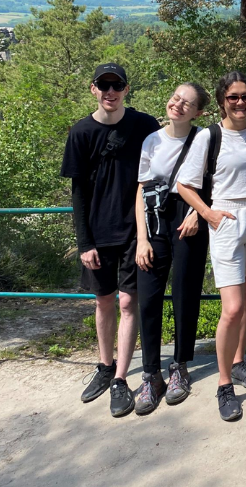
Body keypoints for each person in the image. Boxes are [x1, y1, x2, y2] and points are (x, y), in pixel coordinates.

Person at [177, 72, 246, 422]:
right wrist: (208, 214)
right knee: (232, 308)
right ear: (223, 100)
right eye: (233, 97)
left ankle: (239, 362)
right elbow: (184, 185)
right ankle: (224, 384)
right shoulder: (210, 136)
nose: (241, 103)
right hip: (226, 220)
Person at [61, 63, 160, 417]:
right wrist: (84, 243)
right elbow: (78, 193)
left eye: (117, 85)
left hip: (136, 232)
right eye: (104, 85)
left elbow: (165, 164)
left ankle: (120, 378)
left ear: (126, 89)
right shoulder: (81, 132)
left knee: (128, 303)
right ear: (93, 89)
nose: (110, 92)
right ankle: (105, 366)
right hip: (98, 233)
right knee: (103, 301)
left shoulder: (144, 125)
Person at [132, 83, 211, 415]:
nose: (177, 105)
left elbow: (215, 182)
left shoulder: (204, 138)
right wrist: (141, 239)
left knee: (185, 294)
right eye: (176, 98)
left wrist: (198, 213)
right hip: (155, 219)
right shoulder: (152, 139)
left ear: (198, 112)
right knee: (148, 297)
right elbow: (141, 189)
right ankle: (151, 374)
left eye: (187, 103)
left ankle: (180, 365)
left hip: (190, 216)